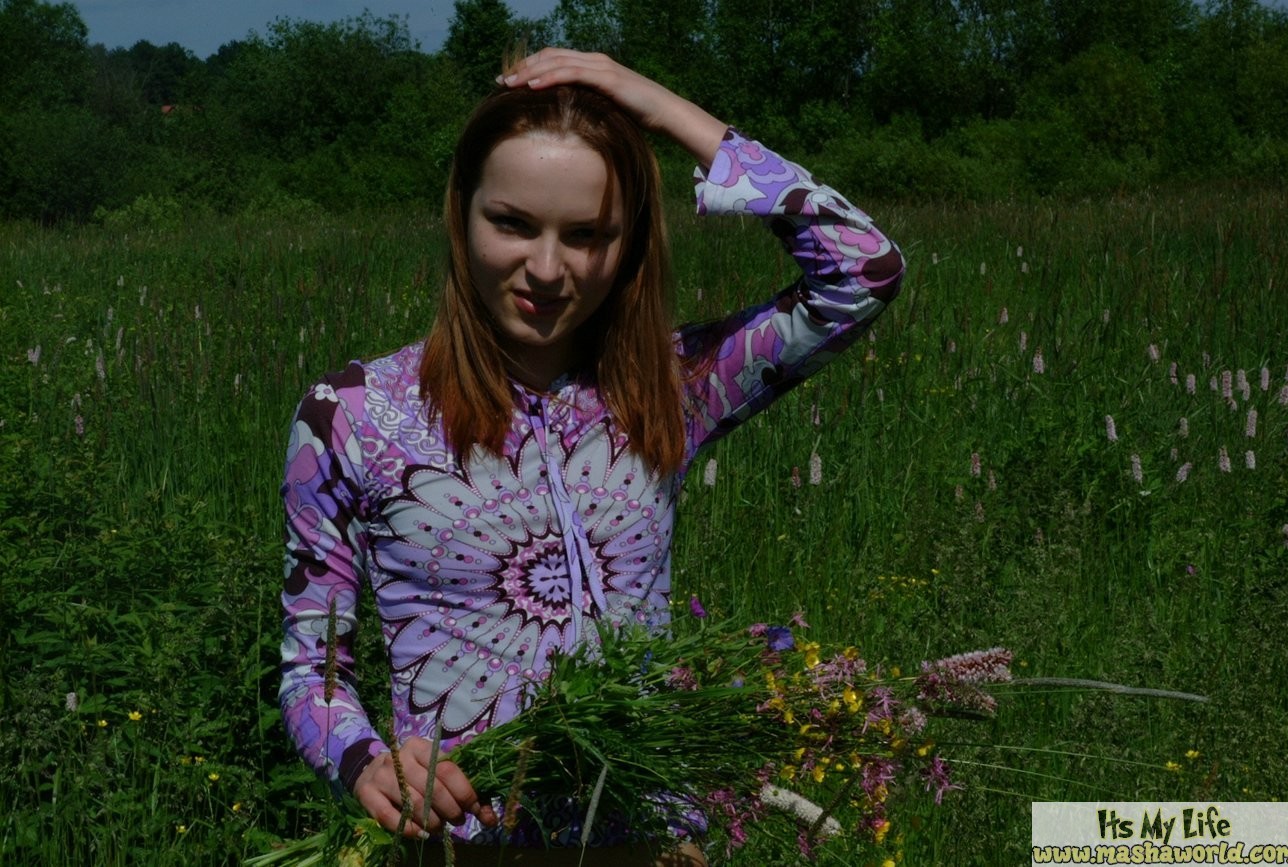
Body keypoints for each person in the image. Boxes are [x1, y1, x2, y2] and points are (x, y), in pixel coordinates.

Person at [278, 48, 905, 865]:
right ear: (461, 214)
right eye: (511, 223)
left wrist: (658, 106)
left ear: (630, 239)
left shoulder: (673, 386)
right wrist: (366, 761)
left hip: (648, 839)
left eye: (587, 234)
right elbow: (312, 670)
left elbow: (863, 271)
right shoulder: (352, 415)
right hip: (462, 845)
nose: (547, 268)